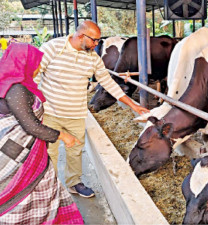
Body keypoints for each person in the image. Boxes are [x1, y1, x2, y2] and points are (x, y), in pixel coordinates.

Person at [35, 20, 150, 198]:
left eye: (98, 40)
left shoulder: (93, 58)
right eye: (94, 40)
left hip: (76, 114)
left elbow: (108, 83)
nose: (97, 44)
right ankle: (51, 187)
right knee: (50, 153)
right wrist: (33, 107)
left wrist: (133, 105)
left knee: (75, 151)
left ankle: (74, 182)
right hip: (50, 113)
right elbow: (34, 74)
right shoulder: (52, 48)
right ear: (80, 35)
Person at [0, 43, 84, 224]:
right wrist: (63, 135)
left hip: (26, 151)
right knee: (26, 191)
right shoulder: (16, 89)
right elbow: (31, 126)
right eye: (36, 63)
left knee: (42, 185)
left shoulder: (16, 84)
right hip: (18, 156)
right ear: (25, 63)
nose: (39, 67)